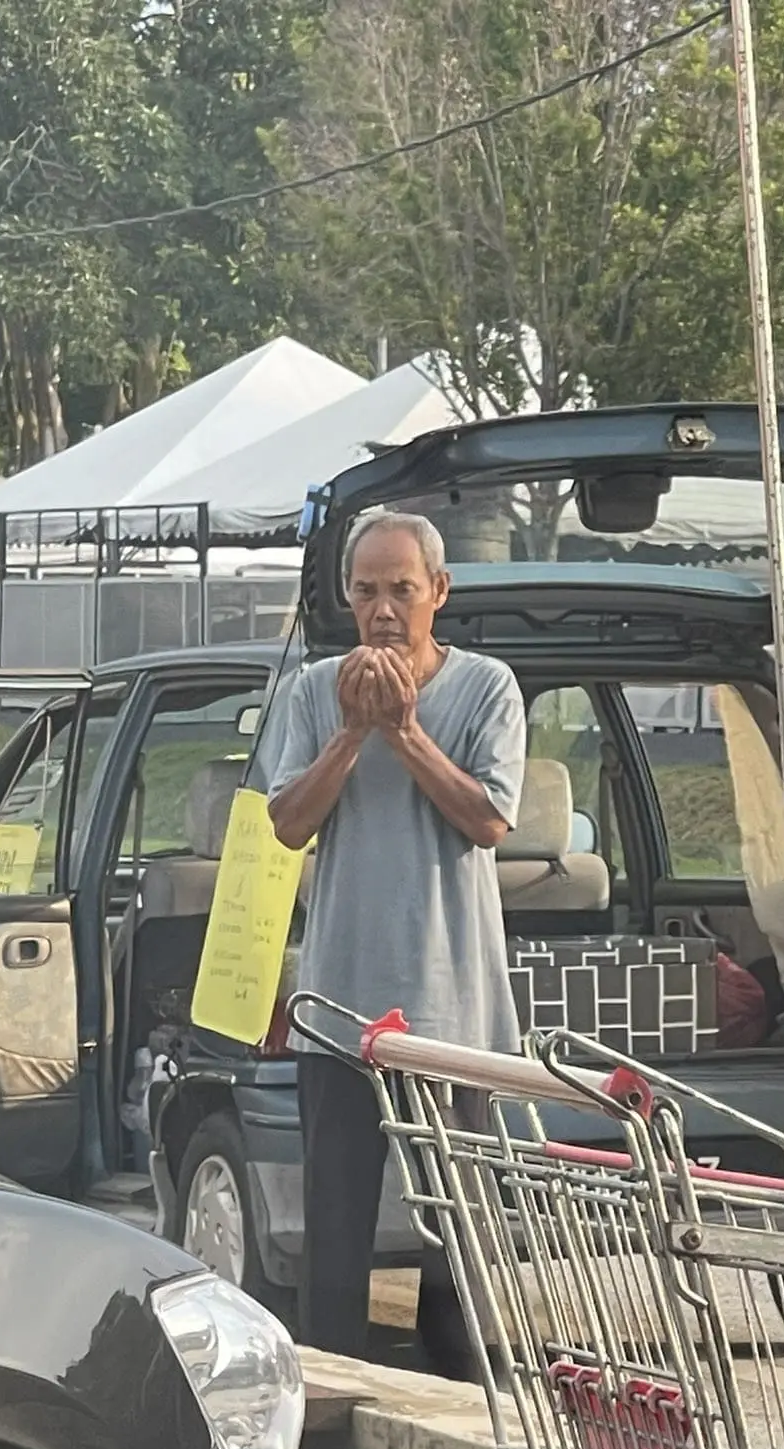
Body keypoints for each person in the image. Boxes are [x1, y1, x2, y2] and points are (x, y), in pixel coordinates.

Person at [267, 508, 526, 1378]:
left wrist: (405, 729)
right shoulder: (313, 690)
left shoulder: (486, 687)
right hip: (340, 1014)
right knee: (333, 1245)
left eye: (402, 591)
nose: (383, 610)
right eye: (367, 590)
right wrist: (351, 730)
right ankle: (330, 1413)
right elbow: (287, 825)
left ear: (438, 594)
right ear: (347, 595)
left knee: (457, 1239)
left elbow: (488, 818)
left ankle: (461, 1400)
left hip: (452, 1016)